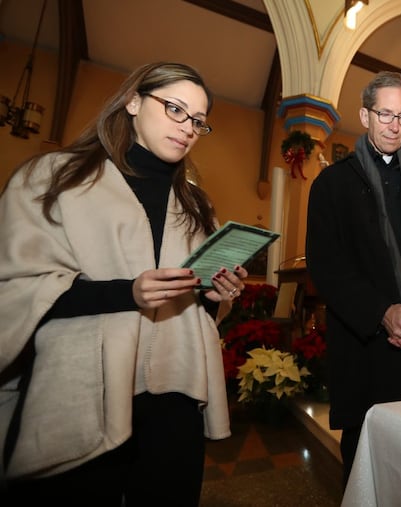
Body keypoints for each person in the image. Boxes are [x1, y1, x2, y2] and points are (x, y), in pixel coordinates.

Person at [0, 62, 247, 506]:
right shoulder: (56, 177)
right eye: (174, 109)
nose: (188, 127)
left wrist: (211, 295)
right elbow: (17, 287)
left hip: (175, 390)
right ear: (133, 101)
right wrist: (125, 292)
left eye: (198, 120)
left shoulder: (196, 204)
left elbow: (194, 305)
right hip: (82, 387)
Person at [305, 71, 401, 487]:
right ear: (365, 115)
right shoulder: (333, 184)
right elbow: (328, 265)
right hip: (366, 348)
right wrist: (382, 312)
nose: (394, 124)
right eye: (385, 114)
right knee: (370, 473)